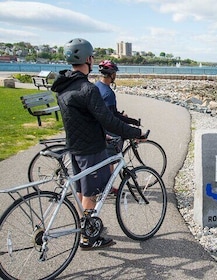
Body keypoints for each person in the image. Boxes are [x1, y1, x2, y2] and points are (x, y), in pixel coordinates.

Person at [51, 38, 148, 250]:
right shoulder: (87, 89)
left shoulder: (64, 86)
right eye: (92, 56)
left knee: (80, 191)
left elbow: (81, 118)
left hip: (74, 147)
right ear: (88, 59)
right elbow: (109, 120)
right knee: (91, 194)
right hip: (90, 150)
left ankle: (84, 228)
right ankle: (89, 238)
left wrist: (99, 132)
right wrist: (135, 132)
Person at [95, 60, 139, 195]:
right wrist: (132, 122)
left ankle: (104, 184)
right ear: (111, 75)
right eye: (115, 73)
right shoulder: (108, 93)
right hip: (105, 128)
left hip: (96, 125)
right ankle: (106, 187)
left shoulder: (96, 86)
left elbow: (110, 112)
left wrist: (121, 115)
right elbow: (112, 117)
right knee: (112, 156)